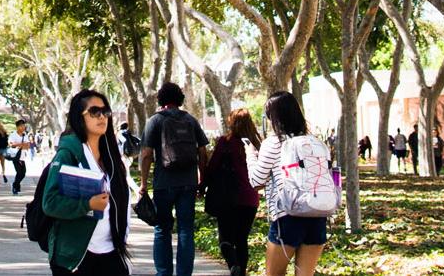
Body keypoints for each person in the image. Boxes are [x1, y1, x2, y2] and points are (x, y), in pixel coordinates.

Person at [43, 89, 133, 276]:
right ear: (79, 117)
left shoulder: (111, 156)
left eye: (105, 112)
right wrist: (88, 205)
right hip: (77, 256)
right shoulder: (68, 154)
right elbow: (49, 202)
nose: (102, 117)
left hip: (112, 252)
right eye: (94, 112)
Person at [250, 91, 329, 276]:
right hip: (317, 215)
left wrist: (250, 157)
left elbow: (256, 181)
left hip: (287, 217)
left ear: (273, 117)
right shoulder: (315, 142)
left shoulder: (274, 143)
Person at [140, 83, 211, 276]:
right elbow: (203, 151)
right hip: (188, 183)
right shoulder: (190, 120)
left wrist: (143, 183)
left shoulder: (155, 121)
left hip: (163, 184)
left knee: (162, 230)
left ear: (161, 99)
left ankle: (163, 273)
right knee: (185, 230)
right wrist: (201, 179)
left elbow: (146, 154)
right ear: (180, 99)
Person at [202, 108, 262, 276]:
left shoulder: (225, 142)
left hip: (228, 198)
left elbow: (212, 167)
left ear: (232, 123)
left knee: (225, 239)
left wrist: (202, 186)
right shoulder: (256, 144)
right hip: (250, 199)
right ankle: (241, 271)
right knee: (242, 239)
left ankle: (233, 264)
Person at [10, 119, 33, 195]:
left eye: (24, 126)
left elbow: (28, 145)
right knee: (19, 172)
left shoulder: (24, 135)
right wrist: (21, 144)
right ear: (17, 127)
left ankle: (15, 185)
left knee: (23, 173)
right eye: (22, 126)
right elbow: (11, 144)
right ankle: (15, 187)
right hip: (15, 156)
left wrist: (19, 144)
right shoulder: (13, 135)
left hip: (22, 156)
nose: (23, 127)